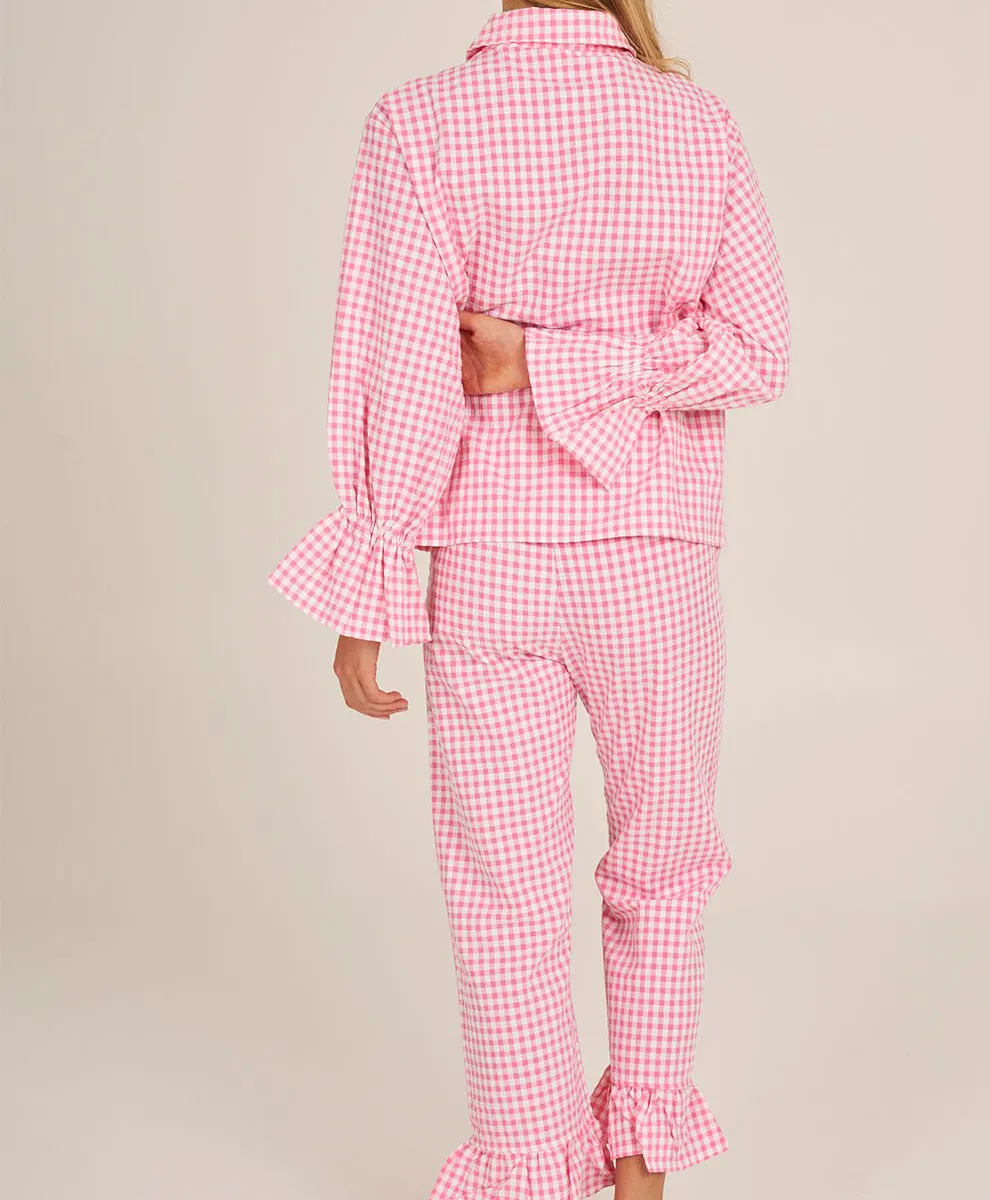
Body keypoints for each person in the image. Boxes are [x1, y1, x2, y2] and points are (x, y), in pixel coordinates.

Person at [266, 2, 791, 1197]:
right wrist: (587, 361)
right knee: (663, 865)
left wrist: (373, 580)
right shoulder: (696, 123)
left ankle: (529, 1176)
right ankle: (643, 1175)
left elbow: (402, 366)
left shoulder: (419, 121)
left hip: (488, 557)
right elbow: (756, 352)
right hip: (653, 555)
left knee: (502, 895)